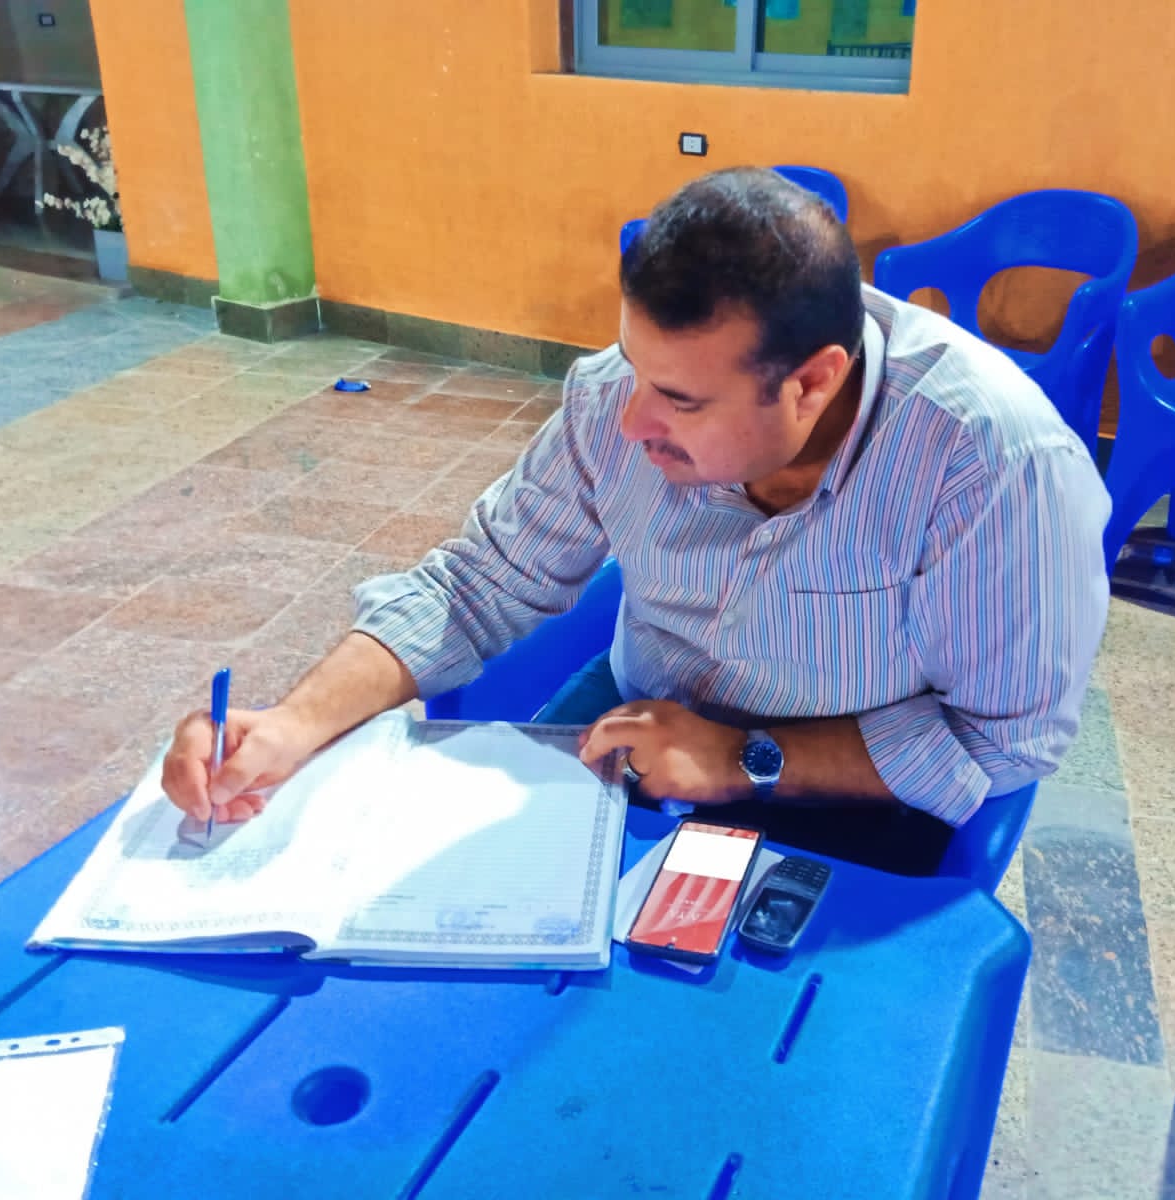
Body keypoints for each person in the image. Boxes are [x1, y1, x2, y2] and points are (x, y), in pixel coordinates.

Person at [161, 167, 1111, 875]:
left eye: (681, 400)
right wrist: (290, 726)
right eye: (633, 368)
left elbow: (1002, 739)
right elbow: (477, 583)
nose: (630, 422)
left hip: (850, 789)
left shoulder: (990, 467)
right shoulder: (613, 399)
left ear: (813, 383)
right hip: (639, 721)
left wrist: (742, 759)